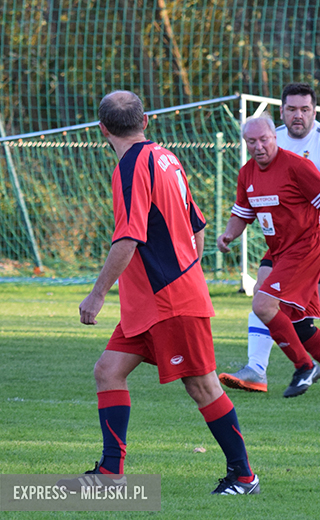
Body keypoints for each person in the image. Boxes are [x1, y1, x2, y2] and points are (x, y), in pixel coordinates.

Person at [72, 90, 258, 495]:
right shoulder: (167, 158)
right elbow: (197, 226)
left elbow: (128, 238)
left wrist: (97, 294)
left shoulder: (130, 167)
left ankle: (244, 476)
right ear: (145, 121)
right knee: (108, 371)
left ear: (102, 130)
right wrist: (187, 268)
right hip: (150, 302)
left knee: (202, 386)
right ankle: (110, 472)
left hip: (169, 300)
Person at [217, 114, 320, 399]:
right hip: (279, 250)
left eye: (264, 140)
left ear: (274, 138)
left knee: (263, 304)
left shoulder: (297, 165)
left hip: (304, 249)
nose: (259, 146)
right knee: (301, 327)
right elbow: (242, 213)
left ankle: (304, 367)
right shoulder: (247, 173)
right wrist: (228, 235)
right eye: (252, 141)